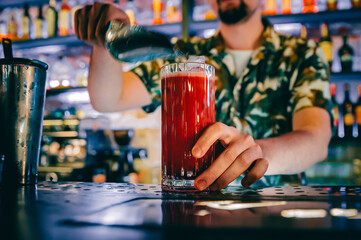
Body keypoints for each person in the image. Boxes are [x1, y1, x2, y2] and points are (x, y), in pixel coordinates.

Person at [74, 0, 332, 191]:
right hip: (199, 207)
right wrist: (104, 40)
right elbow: (108, 98)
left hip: (279, 212)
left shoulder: (302, 54)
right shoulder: (183, 55)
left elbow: (316, 139)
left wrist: (256, 151)